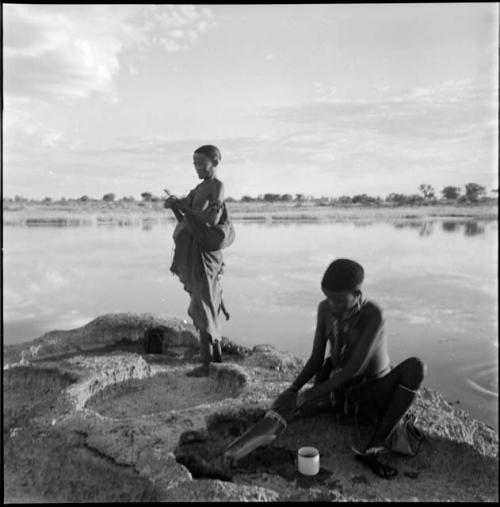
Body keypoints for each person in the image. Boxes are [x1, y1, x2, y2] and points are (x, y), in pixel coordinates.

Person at [271, 258, 426, 479]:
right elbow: (316, 358)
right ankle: (331, 404)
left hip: (373, 393)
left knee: (416, 367)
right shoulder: (325, 308)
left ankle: (372, 449)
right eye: (328, 298)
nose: (332, 305)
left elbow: (353, 370)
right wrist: (294, 389)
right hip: (342, 392)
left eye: (339, 299)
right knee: (323, 369)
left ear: (357, 292)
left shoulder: (373, 315)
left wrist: (307, 396)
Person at [164, 145, 233, 377]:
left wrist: (186, 209)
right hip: (195, 252)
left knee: (207, 304)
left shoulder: (217, 187)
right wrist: (175, 206)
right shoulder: (198, 189)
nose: (197, 167)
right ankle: (210, 361)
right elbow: (187, 220)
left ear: (214, 163)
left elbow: (212, 219)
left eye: (201, 163)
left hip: (207, 255)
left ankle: (212, 362)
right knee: (201, 302)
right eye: (194, 163)